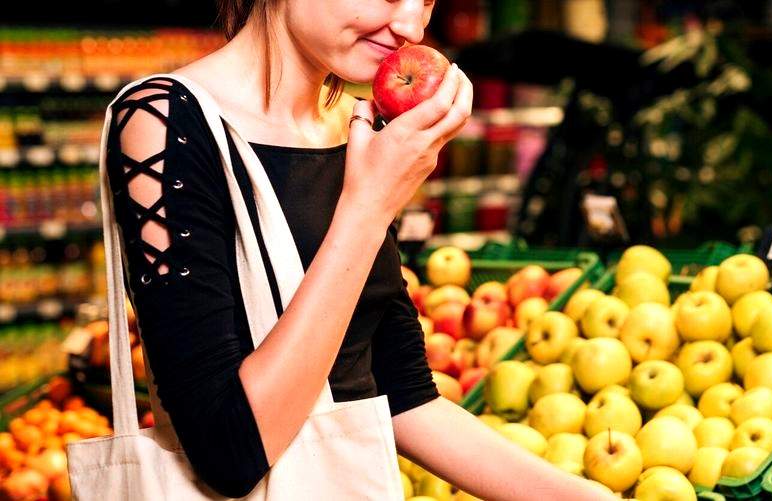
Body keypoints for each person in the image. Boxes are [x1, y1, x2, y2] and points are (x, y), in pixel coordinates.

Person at [102, 0, 612, 498]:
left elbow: (403, 394)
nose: (412, 24)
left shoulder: (354, 123)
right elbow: (228, 455)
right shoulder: (162, 120)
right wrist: (368, 205)